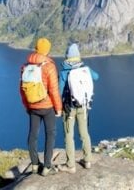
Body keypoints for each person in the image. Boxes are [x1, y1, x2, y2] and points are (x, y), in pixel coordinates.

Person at [20, 37, 63, 176]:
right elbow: (54, 90)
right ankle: (47, 167)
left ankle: (34, 164)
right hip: (47, 106)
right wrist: (58, 108)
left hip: (33, 106)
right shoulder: (49, 66)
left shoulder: (26, 66)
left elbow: (22, 89)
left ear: (36, 48)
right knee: (50, 134)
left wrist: (27, 106)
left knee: (33, 135)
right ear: (47, 50)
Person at [57, 43, 99, 174]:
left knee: (69, 135)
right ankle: (87, 161)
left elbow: (59, 90)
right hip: (83, 106)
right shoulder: (84, 68)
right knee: (84, 133)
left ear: (67, 56)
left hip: (69, 108)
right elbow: (97, 77)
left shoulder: (64, 71)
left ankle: (71, 165)